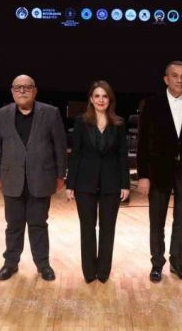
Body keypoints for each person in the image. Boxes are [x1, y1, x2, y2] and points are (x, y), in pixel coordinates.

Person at [0, 75, 67, 282]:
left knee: (38, 224)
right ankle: (10, 263)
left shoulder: (50, 113)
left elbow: (60, 146)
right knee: (13, 225)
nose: (22, 91)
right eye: (18, 88)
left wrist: (60, 174)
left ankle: (43, 264)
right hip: (11, 179)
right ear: (12, 91)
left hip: (41, 177)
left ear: (35, 91)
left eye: (27, 87)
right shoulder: (1, 115)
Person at [137, 61, 182, 283]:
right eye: (174, 76)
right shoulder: (151, 104)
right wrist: (143, 175)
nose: (179, 79)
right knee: (157, 220)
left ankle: (177, 262)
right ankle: (157, 263)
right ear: (166, 79)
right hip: (158, 171)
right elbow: (142, 142)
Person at [66, 80, 130, 283]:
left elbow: (122, 155)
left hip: (112, 183)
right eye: (97, 96)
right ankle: (89, 271)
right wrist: (70, 184)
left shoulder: (118, 123)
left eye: (104, 96)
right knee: (87, 229)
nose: (101, 100)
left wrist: (125, 184)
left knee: (107, 229)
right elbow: (75, 154)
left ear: (110, 100)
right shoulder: (81, 121)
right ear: (91, 100)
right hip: (84, 183)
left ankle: (103, 272)